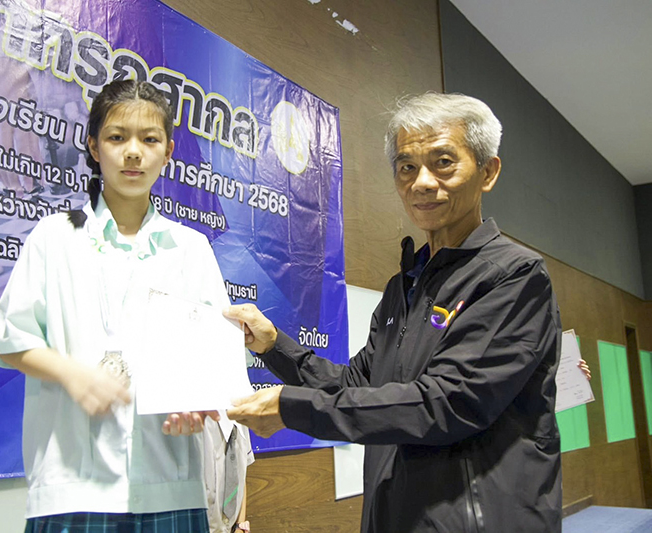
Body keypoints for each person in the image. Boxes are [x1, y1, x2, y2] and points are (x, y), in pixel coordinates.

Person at [224, 93, 563, 532]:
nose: (422, 182)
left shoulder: (514, 275)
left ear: (488, 171)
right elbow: (355, 385)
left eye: (443, 162)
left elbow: (447, 402)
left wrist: (294, 409)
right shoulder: (403, 287)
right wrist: (273, 347)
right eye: (407, 167)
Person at [0, 79, 228, 532]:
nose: (133, 152)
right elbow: (10, 338)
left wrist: (196, 402)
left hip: (168, 483)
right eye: (117, 137)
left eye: (149, 139)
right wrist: (72, 374)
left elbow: (212, 358)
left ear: (168, 152)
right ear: (94, 147)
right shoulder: (54, 237)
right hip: (70, 486)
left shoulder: (191, 249)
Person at [203, 416, 254, 533]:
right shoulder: (200, 423)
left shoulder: (240, 418)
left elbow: (240, 474)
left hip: (231, 527)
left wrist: (240, 525)